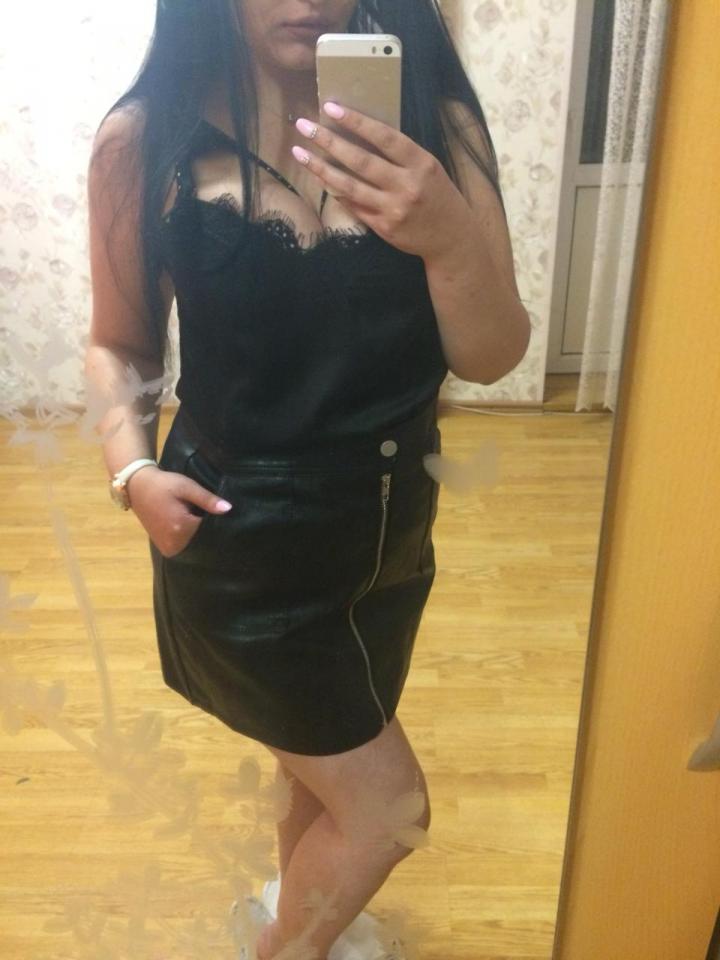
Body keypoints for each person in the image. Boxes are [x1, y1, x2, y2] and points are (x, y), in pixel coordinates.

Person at [84, 1, 530, 958]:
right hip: (237, 540)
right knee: (386, 808)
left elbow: (491, 355)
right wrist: (131, 469)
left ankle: (302, 930)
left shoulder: (435, 121)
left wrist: (447, 235)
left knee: (317, 773)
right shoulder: (147, 138)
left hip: (388, 536)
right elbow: (118, 344)